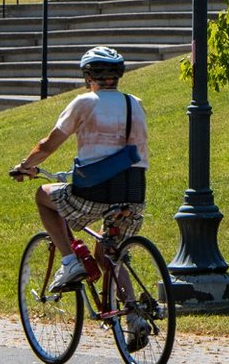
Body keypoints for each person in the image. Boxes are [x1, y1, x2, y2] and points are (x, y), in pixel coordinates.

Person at [9, 47, 149, 295]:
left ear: (88, 76)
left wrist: (25, 166)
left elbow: (47, 145)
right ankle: (135, 313)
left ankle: (70, 261)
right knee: (108, 255)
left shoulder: (85, 102)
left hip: (95, 192)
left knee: (43, 195)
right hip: (133, 193)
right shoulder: (134, 103)